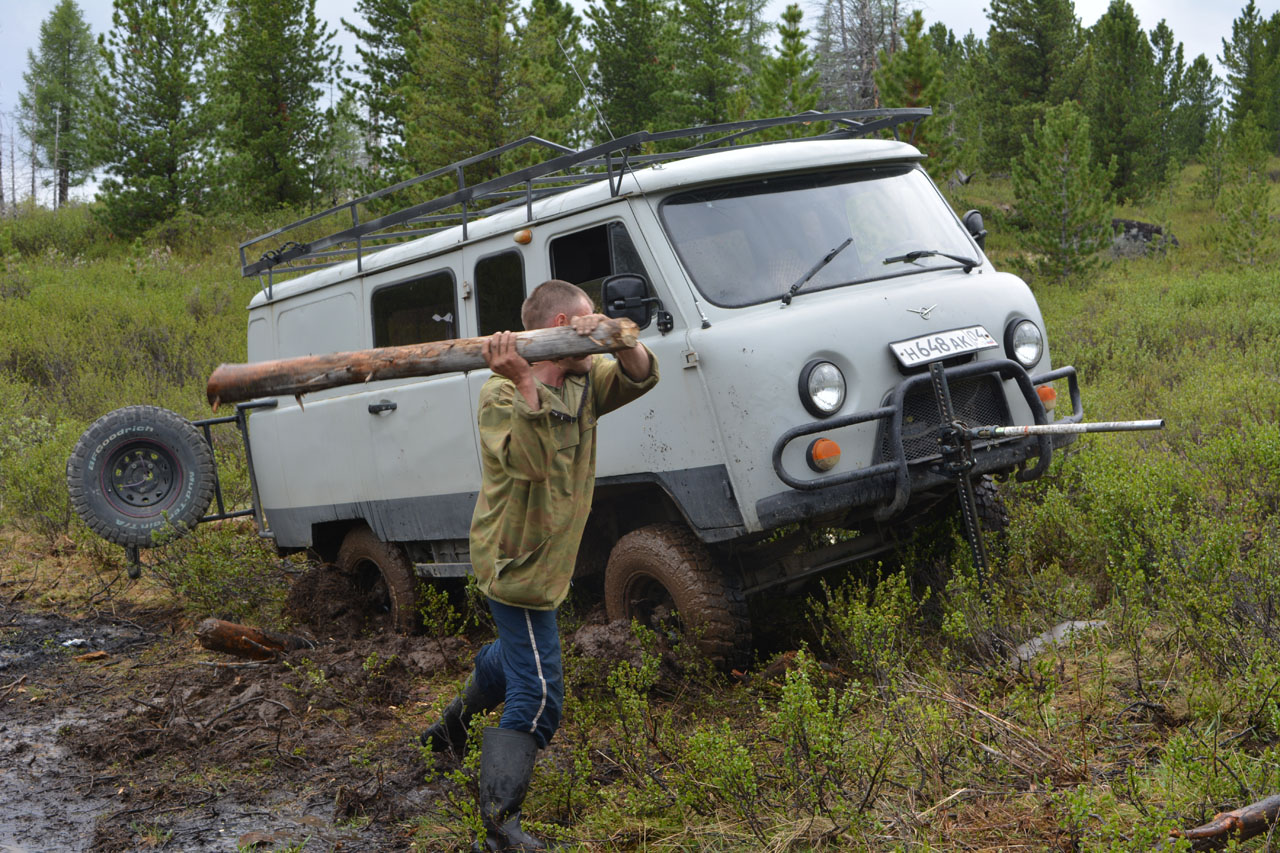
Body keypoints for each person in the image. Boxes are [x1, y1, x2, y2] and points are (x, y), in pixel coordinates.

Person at [422, 279, 659, 852]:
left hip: (549, 560)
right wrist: (527, 379)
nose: (592, 327)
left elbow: (640, 373)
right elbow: (528, 463)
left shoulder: (584, 380)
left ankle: (447, 731)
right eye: (583, 321)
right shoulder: (500, 396)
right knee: (540, 695)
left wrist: (618, 336)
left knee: (510, 659)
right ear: (557, 329)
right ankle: (500, 825)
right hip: (517, 564)